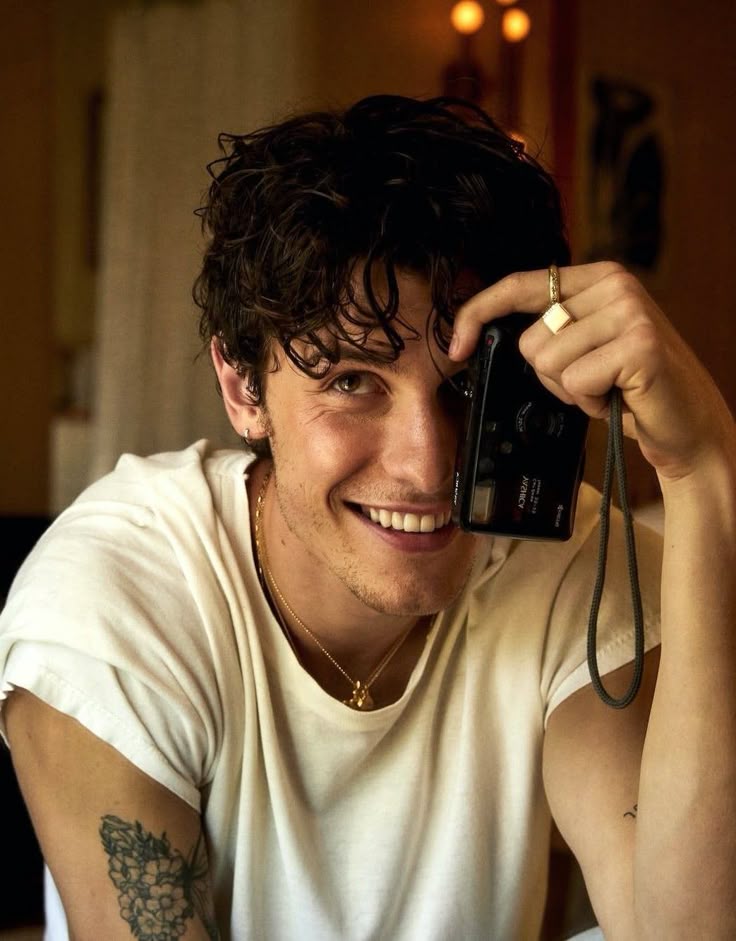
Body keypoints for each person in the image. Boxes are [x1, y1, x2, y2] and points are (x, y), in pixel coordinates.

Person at [1, 94, 734, 941]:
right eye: (351, 381)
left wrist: (705, 472)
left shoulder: (567, 564)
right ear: (243, 388)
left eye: (465, 387)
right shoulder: (117, 597)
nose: (427, 464)